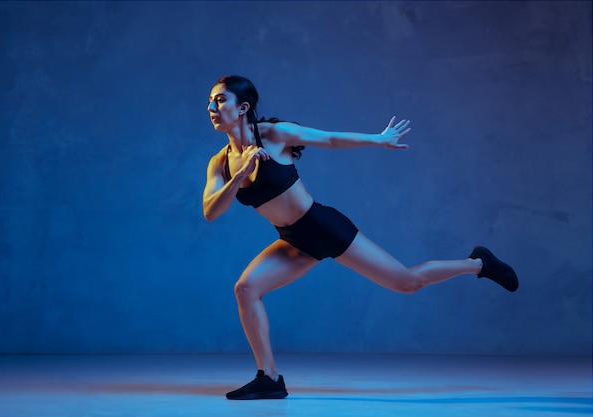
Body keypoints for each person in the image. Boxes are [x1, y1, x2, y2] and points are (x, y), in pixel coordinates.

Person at [202, 75, 518, 400]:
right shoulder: (221, 163)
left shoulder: (273, 135)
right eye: (210, 101)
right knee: (246, 288)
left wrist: (378, 139)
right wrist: (239, 175)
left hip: (324, 226)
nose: (212, 107)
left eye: (220, 100)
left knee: (407, 282)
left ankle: (478, 263)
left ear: (243, 107)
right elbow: (211, 210)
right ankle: (269, 377)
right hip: (293, 240)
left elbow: (331, 139)